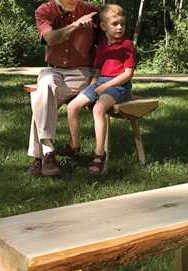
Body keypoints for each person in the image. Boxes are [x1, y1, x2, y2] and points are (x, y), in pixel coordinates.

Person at [27, 0, 99, 177]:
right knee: (44, 87)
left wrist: (97, 78)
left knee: (40, 99)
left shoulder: (92, 11)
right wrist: (75, 25)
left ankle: (39, 158)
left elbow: (106, 45)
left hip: (83, 73)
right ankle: (48, 152)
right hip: (54, 70)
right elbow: (51, 38)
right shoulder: (44, 10)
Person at [66, 4, 136, 175]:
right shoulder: (102, 46)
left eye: (122, 24)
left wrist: (106, 86)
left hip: (118, 85)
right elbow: (98, 70)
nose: (120, 27)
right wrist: (93, 85)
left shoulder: (127, 45)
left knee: (98, 109)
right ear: (104, 26)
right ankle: (75, 146)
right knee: (72, 107)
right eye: (115, 24)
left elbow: (128, 74)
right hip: (100, 82)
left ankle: (99, 154)